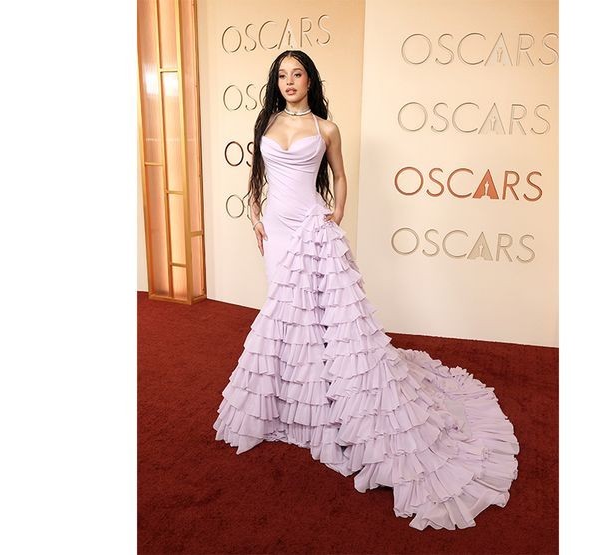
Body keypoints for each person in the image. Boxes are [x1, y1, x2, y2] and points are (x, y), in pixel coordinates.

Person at [212, 50, 520, 531]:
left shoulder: (326, 129)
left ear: (310, 80)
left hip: (310, 226)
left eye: (297, 74)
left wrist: (337, 212)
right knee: (285, 310)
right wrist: (254, 215)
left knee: (319, 313)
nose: (289, 81)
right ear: (277, 82)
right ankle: (290, 399)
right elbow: (257, 174)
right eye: (282, 75)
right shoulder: (267, 121)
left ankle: (324, 404)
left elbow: (339, 175)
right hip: (276, 229)